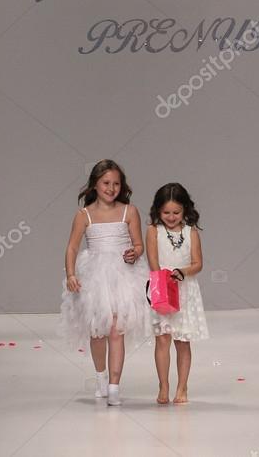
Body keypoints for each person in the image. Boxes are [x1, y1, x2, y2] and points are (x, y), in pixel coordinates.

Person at [59, 160, 148, 406]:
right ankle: (101, 376)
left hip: (123, 275)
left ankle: (114, 386)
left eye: (116, 184)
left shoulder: (129, 211)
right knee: (97, 331)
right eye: (106, 183)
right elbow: (72, 246)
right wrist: (70, 274)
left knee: (116, 329)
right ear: (95, 185)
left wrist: (135, 252)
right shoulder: (84, 215)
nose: (111, 188)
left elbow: (138, 243)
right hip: (95, 276)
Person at [146, 183, 209, 404]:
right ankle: (163, 386)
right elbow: (153, 260)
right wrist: (163, 278)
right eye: (166, 212)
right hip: (162, 288)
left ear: (185, 210)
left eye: (176, 212)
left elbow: (198, 263)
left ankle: (182, 388)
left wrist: (181, 272)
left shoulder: (191, 232)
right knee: (162, 339)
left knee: (182, 341)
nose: (171, 217)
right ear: (157, 210)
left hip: (184, 289)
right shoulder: (154, 230)